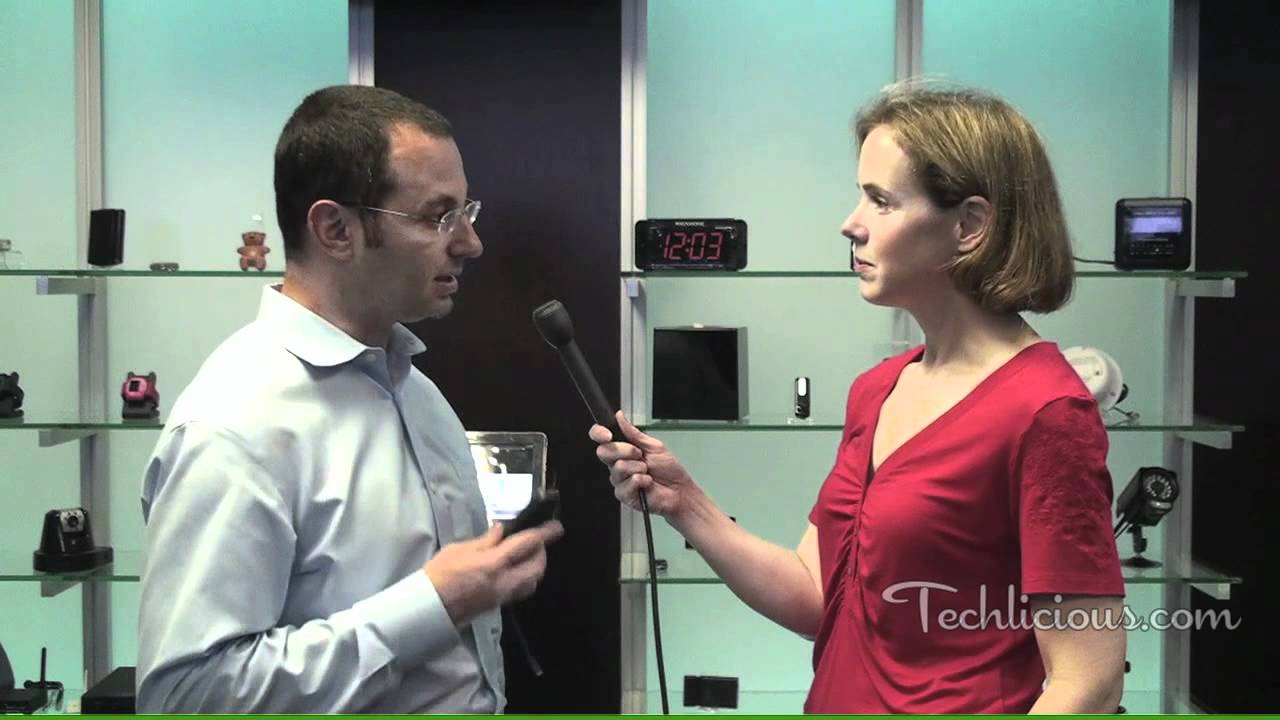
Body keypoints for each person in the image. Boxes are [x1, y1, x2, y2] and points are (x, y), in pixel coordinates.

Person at [591, 82, 1126, 714]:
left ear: (969, 225)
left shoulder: (1045, 411)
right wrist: (687, 505)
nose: (851, 223)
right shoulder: (877, 390)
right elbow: (817, 594)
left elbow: (1088, 680)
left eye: (881, 200)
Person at [136, 85, 563, 713]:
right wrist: (435, 604)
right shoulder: (232, 427)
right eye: (437, 216)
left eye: (466, 211)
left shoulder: (415, 391)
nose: (470, 243)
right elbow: (185, 696)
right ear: (336, 229)